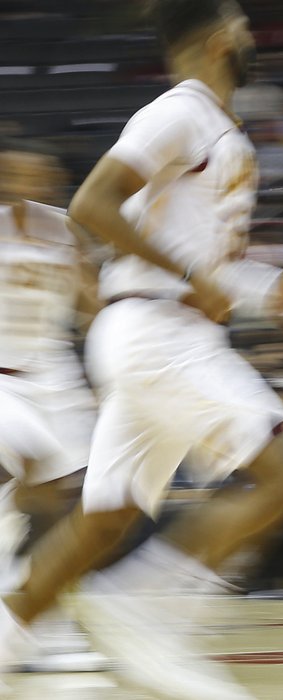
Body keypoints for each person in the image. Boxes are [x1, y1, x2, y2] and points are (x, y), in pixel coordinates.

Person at [0, 1, 283, 697]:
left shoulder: (218, 129)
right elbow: (93, 204)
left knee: (103, 521)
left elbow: (204, 262)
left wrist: (273, 295)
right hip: (157, 332)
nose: (251, 36)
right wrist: (188, 278)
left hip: (155, 331)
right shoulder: (178, 112)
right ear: (218, 42)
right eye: (242, 26)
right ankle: (147, 611)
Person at [0, 141, 112, 673]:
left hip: (56, 374)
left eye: (40, 172)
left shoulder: (63, 228)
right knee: (34, 479)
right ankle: (17, 606)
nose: (31, 180)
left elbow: (92, 303)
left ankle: (43, 616)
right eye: (20, 171)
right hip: (3, 376)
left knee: (76, 499)